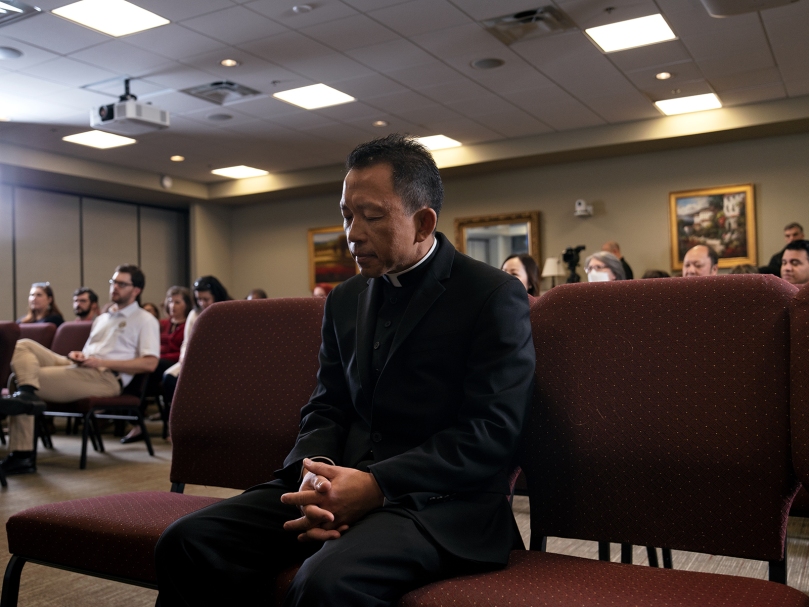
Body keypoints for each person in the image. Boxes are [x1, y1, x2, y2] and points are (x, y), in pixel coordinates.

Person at [155, 134, 536, 607]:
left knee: (327, 583)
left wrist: (376, 486)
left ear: (423, 222)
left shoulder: (490, 294)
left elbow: (491, 432)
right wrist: (319, 474)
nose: (352, 233)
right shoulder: (346, 298)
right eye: (346, 215)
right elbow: (327, 404)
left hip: (436, 504)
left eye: (371, 216)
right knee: (188, 541)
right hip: (338, 483)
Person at [0, 265, 159, 475]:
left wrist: (103, 363)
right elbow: (90, 351)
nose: (115, 287)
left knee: (16, 381)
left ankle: (22, 455)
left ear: (136, 290)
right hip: (80, 366)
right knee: (23, 345)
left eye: (122, 284)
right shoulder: (102, 318)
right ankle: (28, 394)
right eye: (113, 282)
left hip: (106, 377)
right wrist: (80, 356)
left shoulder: (145, 320)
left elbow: (150, 363)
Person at [122, 286, 192, 444]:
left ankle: (168, 423)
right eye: (170, 301)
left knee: (149, 367)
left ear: (187, 304)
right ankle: (136, 421)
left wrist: (156, 357)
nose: (173, 305)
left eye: (177, 302)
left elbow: (184, 351)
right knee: (138, 370)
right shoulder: (161, 324)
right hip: (156, 365)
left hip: (177, 364)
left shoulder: (190, 324)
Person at [160, 276, 232, 420]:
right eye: (199, 299)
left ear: (216, 296)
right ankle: (173, 421)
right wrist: (184, 358)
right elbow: (187, 341)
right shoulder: (194, 313)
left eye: (206, 299)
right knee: (168, 378)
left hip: (222, 361)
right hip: (195, 359)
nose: (202, 303)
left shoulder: (229, 310)